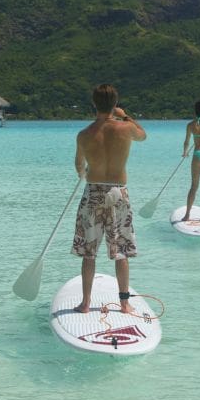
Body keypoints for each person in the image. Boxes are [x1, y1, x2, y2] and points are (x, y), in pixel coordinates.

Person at [71, 84, 147, 314]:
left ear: (94, 103)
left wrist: (84, 171)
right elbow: (143, 136)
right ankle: (124, 304)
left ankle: (85, 303)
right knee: (121, 250)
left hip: (93, 191)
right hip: (118, 192)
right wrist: (126, 116)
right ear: (115, 104)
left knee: (88, 252)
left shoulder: (84, 135)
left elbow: (78, 166)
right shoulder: (125, 129)